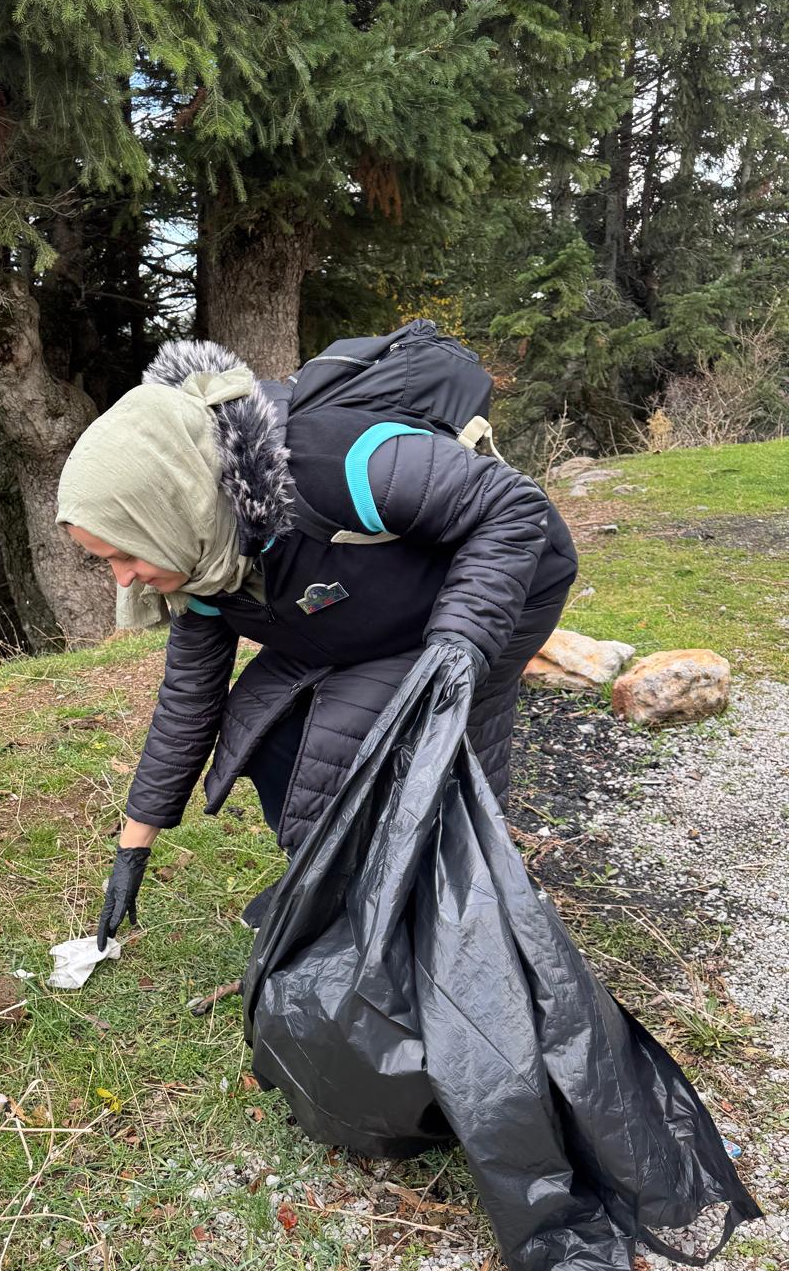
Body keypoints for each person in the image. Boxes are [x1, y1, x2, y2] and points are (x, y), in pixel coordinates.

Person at [54, 327, 579, 948]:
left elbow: (512, 508)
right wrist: (134, 844)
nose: (124, 581)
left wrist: (461, 643)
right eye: (104, 560)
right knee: (270, 732)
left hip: (497, 586)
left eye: (124, 553)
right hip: (362, 606)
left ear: (166, 507)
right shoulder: (200, 550)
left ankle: (448, 909)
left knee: (391, 736)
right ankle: (335, 883)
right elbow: (190, 698)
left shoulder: (339, 465)